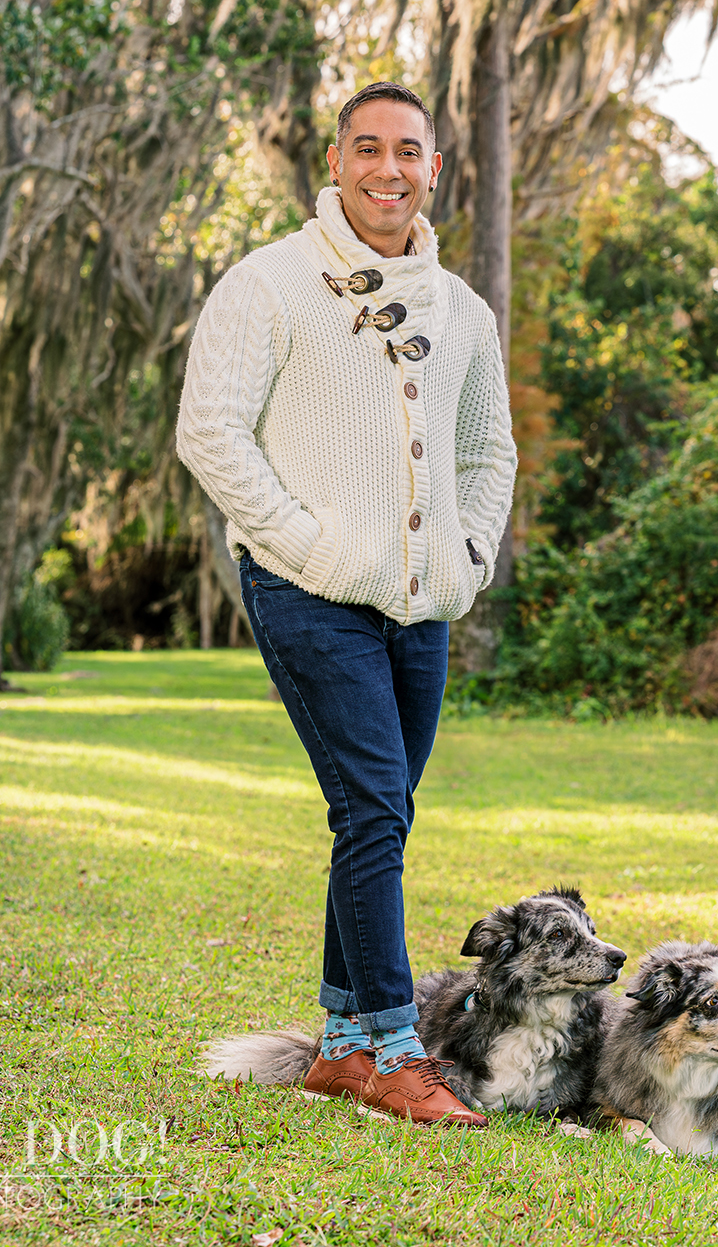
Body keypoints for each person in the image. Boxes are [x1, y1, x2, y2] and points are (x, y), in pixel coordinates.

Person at [176, 81, 515, 1126]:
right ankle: (395, 1051)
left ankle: (335, 1045)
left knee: (383, 814)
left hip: (422, 602)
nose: (387, 168)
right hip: (306, 589)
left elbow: (485, 451)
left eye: (407, 150)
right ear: (334, 162)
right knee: (371, 807)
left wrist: (468, 555)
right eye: (365, 148)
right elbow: (211, 432)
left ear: (433, 168)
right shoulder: (269, 284)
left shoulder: (462, 310)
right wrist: (301, 542)